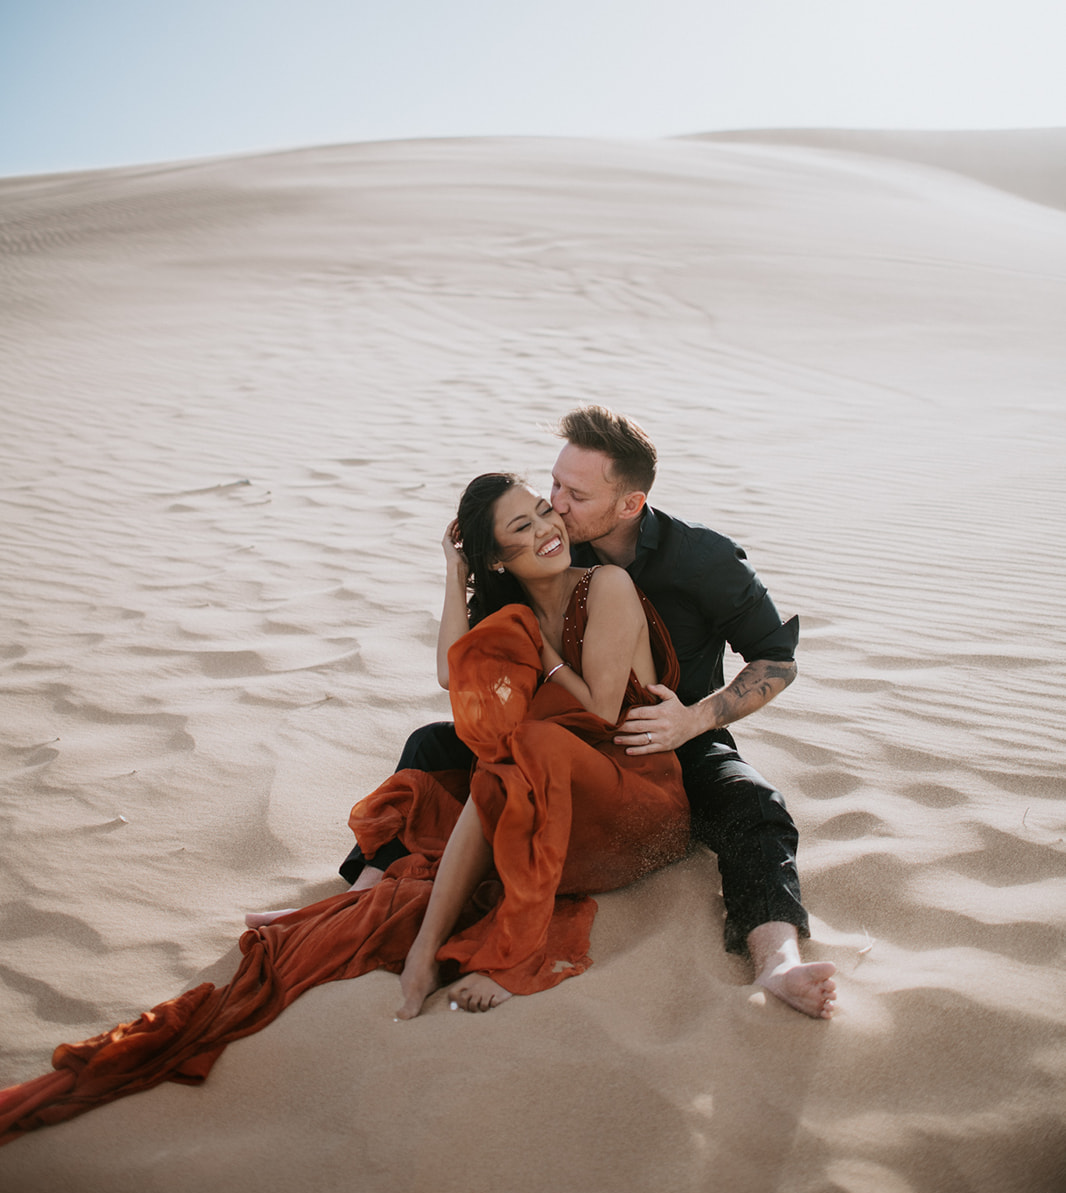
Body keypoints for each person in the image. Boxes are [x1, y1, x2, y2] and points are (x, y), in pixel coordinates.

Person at [0, 472, 689, 1145]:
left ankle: (492, 953)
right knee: (449, 777)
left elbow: (601, 709)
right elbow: (456, 672)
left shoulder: (607, 585)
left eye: (544, 510)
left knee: (516, 749)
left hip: (633, 794)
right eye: (523, 525)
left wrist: (537, 657)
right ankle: (386, 921)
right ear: (497, 558)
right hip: (555, 785)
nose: (547, 527)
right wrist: (453, 572)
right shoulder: (512, 612)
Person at [342, 408, 836, 1020]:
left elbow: (777, 660)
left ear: (628, 504)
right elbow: (460, 664)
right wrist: (458, 569)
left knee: (753, 806)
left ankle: (777, 963)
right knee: (430, 748)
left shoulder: (701, 559)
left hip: (667, 736)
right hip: (561, 735)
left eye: (575, 495)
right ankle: (353, 905)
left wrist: (697, 720)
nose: (557, 506)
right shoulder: (536, 554)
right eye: (553, 485)